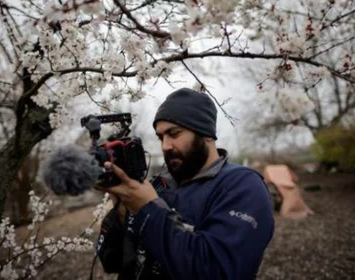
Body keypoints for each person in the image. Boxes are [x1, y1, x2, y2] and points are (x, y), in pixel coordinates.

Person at [95, 88, 274, 279]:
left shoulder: (242, 186)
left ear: (206, 134)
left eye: (174, 134)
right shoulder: (158, 185)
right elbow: (112, 261)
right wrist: (122, 214)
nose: (165, 146)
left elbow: (217, 270)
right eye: (161, 137)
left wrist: (148, 209)